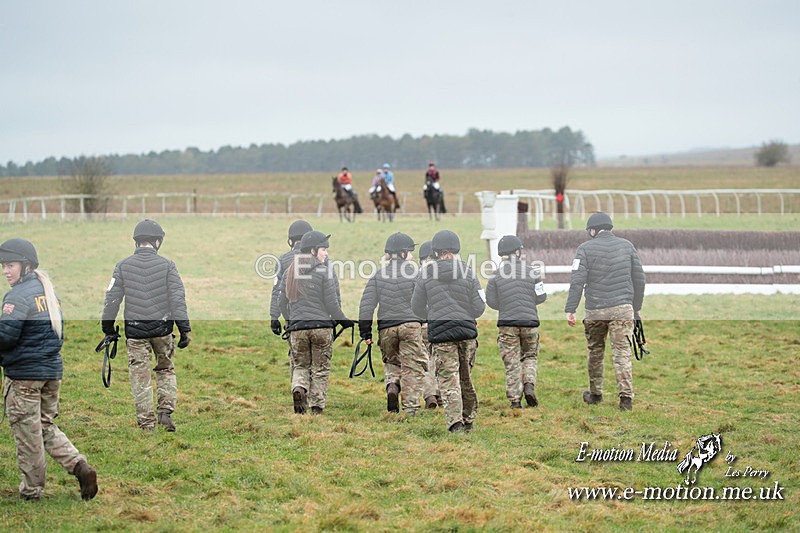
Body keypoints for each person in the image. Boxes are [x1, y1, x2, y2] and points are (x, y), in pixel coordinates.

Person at [0, 238, 98, 501]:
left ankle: (32, 491)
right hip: (51, 373)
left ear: (27, 266)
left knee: (27, 434)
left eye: (10, 266)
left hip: (24, 378)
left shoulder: (16, 297)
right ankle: (80, 467)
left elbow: (5, 337)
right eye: (3, 267)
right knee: (44, 427)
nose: (5, 271)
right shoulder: (49, 293)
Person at [101, 219, 191, 431]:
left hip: (135, 331)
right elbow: (178, 299)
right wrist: (184, 329)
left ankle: (146, 424)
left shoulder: (122, 266)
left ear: (137, 242)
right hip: (163, 329)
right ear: (157, 242)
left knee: (139, 376)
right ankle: (165, 412)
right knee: (165, 368)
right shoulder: (168, 265)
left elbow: (112, 299)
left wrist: (107, 326)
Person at [565, 213, 645, 411]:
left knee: (595, 350)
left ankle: (595, 393)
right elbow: (639, 279)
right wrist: (636, 307)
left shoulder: (584, 249)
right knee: (622, 353)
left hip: (595, 309)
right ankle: (626, 398)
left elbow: (577, 281)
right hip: (622, 308)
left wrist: (570, 308)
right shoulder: (627, 246)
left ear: (593, 230)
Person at [411, 230, 485, 432]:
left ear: (436, 252)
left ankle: (455, 423)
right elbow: (479, 307)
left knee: (448, 380)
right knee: (466, 379)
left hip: (441, 336)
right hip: (467, 334)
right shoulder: (468, 271)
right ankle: (469, 419)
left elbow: (416, 306)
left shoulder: (426, 273)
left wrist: (432, 313)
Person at [279, 231, 353, 415]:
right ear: (312, 251)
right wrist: (344, 321)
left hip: (297, 329)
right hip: (321, 328)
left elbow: (282, 301)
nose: (326, 253)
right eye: (323, 249)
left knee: (300, 365)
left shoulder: (290, 271)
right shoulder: (323, 271)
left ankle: (299, 388)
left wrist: (290, 320)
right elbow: (332, 304)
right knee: (320, 368)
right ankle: (316, 407)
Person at [358, 233, 426, 415]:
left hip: (386, 327)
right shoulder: (416, 274)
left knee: (392, 362)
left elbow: (366, 305)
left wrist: (366, 332)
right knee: (412, 366)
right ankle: (411, 408)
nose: (412, 256)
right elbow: (425, 301)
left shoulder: (378, 275)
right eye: (410, 252)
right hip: (411, 325)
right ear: (403, 254)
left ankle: (392, 386)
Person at [485, 235, 547, 409]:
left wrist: (505, 306)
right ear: (518, 251)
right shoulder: (533, 271)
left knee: (511, 362)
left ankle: (515, 401)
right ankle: (529, 384)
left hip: (507, 323)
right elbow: (541, 296)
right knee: (530, 356)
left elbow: (491, 301)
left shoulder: (495, 275)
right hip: (530, 322)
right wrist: (528, 302)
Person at [270, 220, 314, 381]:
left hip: (293, 317)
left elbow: (277, 290)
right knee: (318, 361)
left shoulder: (282, 260)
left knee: (298, 359)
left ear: (291, 240)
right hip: (320, 317)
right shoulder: (320, 258)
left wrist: (274, 317)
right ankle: (315, 398)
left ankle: (299, 387)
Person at [417, 240, 441, 409]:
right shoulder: (444, 274)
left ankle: (429, 394)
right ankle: (439, 393)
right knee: (440, 360)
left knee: (425, 362)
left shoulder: (416, 276)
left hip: (422, 324)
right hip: (440, 324)